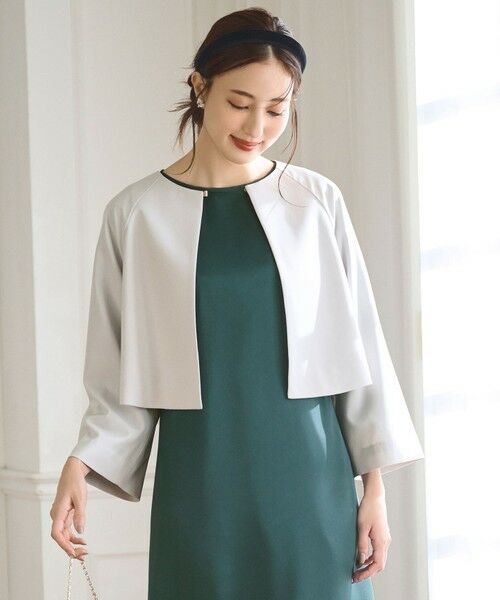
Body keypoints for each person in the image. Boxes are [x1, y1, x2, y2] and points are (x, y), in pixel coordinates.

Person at [50, 7, 424, 599]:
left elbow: (361, 353)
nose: (257, 125)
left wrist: (373, 492)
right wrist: (82, 462)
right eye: (240, 102)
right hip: (200, 487)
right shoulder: (137, 215)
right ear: (200, 86)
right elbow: (116, 372)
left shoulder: (315, 202)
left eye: (277, 108)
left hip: (313, 485)